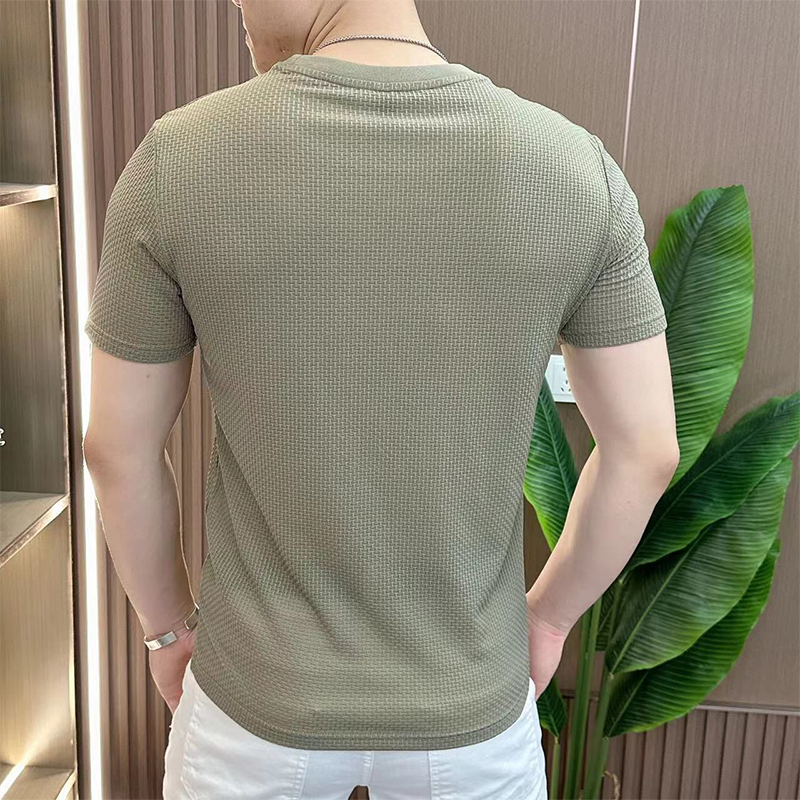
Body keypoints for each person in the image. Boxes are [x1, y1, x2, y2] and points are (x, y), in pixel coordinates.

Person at [82, 0, 680, 798]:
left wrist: (166, 631)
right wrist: (546, 620)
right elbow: (646, 451)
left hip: (255, 704)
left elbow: (116, 449)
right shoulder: (575, 171)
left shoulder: (178, 161)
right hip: (474, 714)